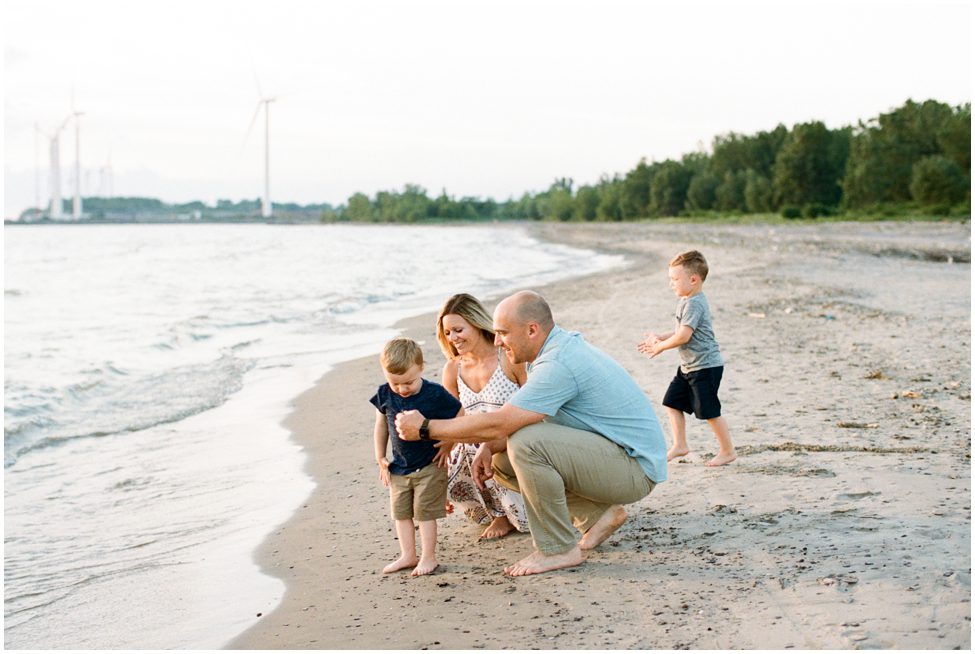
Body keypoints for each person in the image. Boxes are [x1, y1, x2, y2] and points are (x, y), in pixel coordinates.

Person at [396, 291, 667, 577]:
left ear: (532, 330)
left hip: (635, 469)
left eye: (503, 333)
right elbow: (511, 426)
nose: (497, 340)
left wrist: (425, 428)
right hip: (619, 457)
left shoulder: (556, 364)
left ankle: (558, 548)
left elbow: (501, 422)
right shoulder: (556, 349)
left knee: (526, 443)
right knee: (502, 460)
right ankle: (597, 516)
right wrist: (489, 447)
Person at [435, 293, 530, 539]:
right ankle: (497, 512)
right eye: (447, 333)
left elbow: (533, 404)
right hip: (474, 446)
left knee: (486, 448)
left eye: (458, 329)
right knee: (452, 453)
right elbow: (452, 419)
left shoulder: (508, 357)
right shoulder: (453, 368)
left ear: (476, 324)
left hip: (513, 437)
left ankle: (509, 513)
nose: (453, 338)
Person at [370, 337, 462, 576]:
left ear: (420, 367)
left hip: (430, 465)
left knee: (425, 513)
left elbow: (460, 414)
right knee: (401, 513)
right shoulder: (384, 394)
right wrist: (380, 457)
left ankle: (428, 557)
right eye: (395, 383)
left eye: (408, 382)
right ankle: (408, 555)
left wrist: (450, 442)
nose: (402, 389)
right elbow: (381, 425)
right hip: (399, 467)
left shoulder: (434, 394)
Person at [637, 250, 737, 467]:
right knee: (672, 402)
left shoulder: (693, 303)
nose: (671, 284)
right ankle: (680, 444)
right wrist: (661, 337)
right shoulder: (686, 300)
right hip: (689, 367)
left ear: (693, 280)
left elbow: (684, 336)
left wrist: (661, 347)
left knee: (709, 412)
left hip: (705, 367)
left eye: (675, 279)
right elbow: (681, 330)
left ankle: (728, 451)